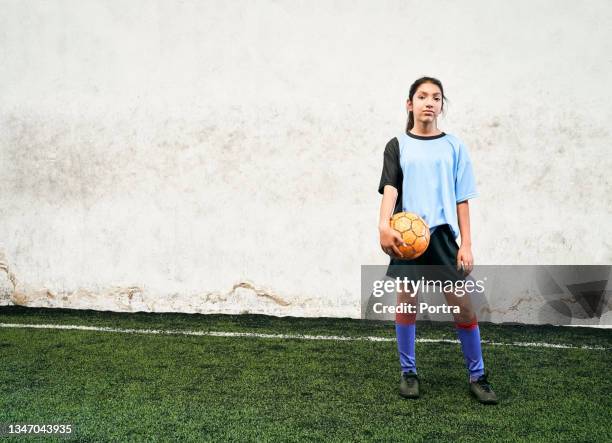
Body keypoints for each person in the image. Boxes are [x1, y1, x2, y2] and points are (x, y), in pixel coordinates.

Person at [377, 76, 498, 405]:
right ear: (410, 104)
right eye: (422, 96)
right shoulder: (397, 145)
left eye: (436, 97)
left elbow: (462, 199)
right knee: (407, 304)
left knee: (462, 306)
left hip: (443, 236)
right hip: (407, 236)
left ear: (441, 106)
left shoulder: (454, 146)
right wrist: (383, 226)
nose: (429, 102)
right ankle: (408, 372)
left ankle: (478, 375)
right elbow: (391, 189)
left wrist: (467, 243)